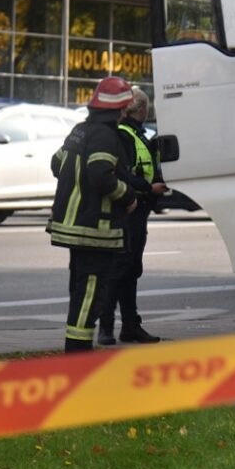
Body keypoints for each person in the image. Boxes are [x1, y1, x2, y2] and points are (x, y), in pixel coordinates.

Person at [47, 76, 142, 352]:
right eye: (124, 108)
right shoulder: (106, 136)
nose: (125, 113)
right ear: (119, 109)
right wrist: (128, 196)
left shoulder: (80, 130)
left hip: (74, 227)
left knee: (81, 292)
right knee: (90, 294)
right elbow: (100, 174)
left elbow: (56, 164)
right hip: (93, 230)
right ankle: (78, 354)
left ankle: (78, 349)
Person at [99, 86, 167, 346]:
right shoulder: (125, 134)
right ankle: (107, 327)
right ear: (142, 108)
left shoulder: (136, 134)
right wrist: (149, 188)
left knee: (130, 269)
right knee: (120, 270)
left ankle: (129, 326)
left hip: (138, 208)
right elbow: (124, 173)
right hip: (129, 208)